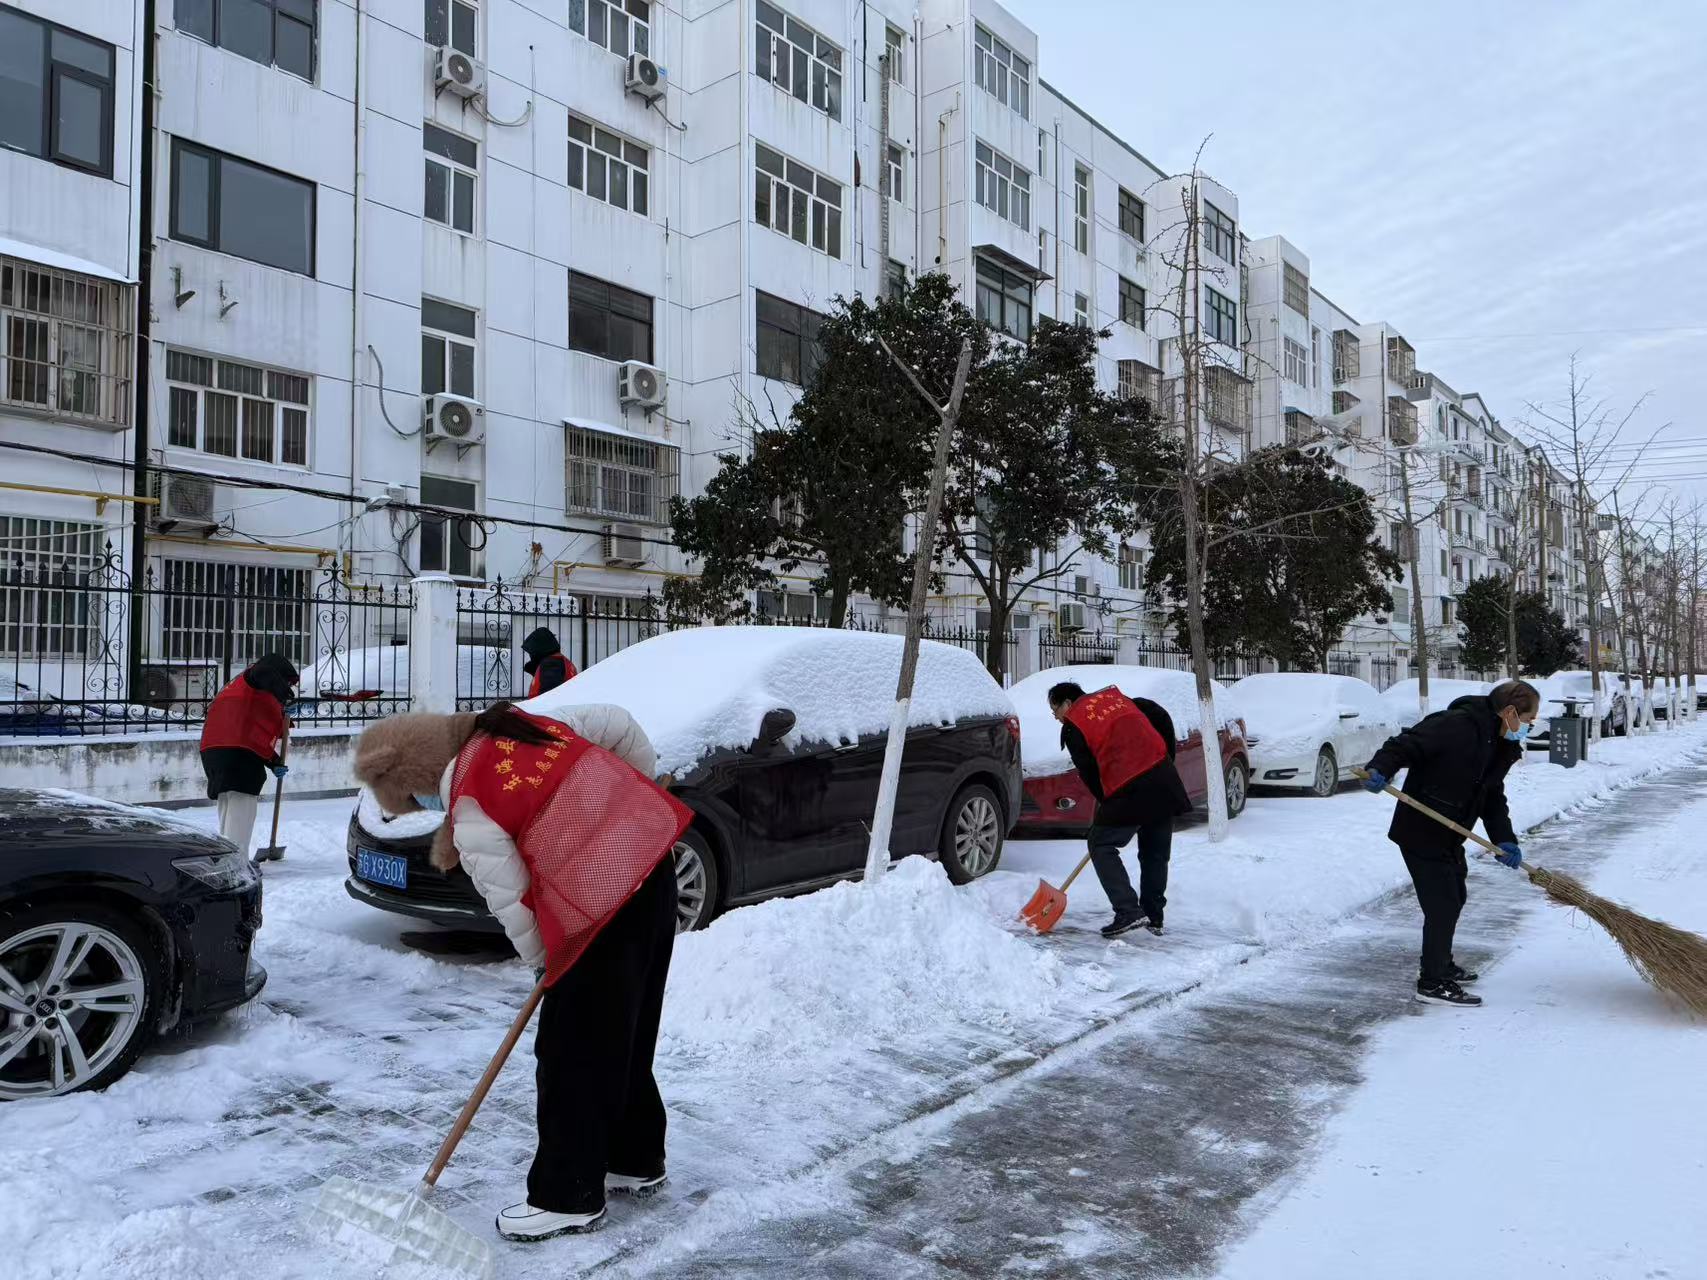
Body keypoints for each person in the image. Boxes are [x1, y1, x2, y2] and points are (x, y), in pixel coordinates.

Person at [353, 699, 687, 1243]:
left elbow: (513, 906)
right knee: (624, 1027)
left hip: (598, 901)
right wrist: (633, 792)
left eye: (413, 801)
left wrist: (546, 969)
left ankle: (566, 1194)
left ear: (416, 781)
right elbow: (619, 723)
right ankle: (634, 1158)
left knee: (569, 1050)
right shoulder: (521, 725)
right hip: (651, 866)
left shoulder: (469, 807)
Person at [1361, 679, 1541, 1007]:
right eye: (1528, 721)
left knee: (1455, 895)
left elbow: (1492, 796)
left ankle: (1440, 964)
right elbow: (1404, 745)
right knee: (1442, 903)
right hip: (1421, 828)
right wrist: (1380, 769)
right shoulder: (1454, 725)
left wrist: (1505, 840)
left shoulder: (1500, 744)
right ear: (1510, 712)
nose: (1528, 728)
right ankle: (1432, 982)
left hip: (1450, 832)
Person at [1048, 681, 1191, 938]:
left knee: (1100, 843)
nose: (1056, 717)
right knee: (1155, 853)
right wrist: (1165, 759)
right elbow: (1158, 713)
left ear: (1068, 703)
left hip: (1129, 788)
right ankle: (1153, 917)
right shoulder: (1118, 700)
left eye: (1055, 710)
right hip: (1163, 780)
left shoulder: (1075, 725)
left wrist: (1106, 801)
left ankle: (1128, 911)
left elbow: (1089, 772)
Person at [199, 653, 297, 862]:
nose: (287, 686)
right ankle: (236, 864)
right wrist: (284, 695)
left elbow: (250, 735)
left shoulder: (240, 692)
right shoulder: (255, 675)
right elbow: (264, 671)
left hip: (216, 752)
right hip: (236, 757)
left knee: (228, 810)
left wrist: (274, 762)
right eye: (287, 681)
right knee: (241, 812)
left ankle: (226, 859)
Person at [522, 627, 577, 697]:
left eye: (532, 652)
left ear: (541, 648)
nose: (531, 656)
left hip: (540, 707)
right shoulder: (561, 661)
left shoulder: (551, 664)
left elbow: (549, 696)